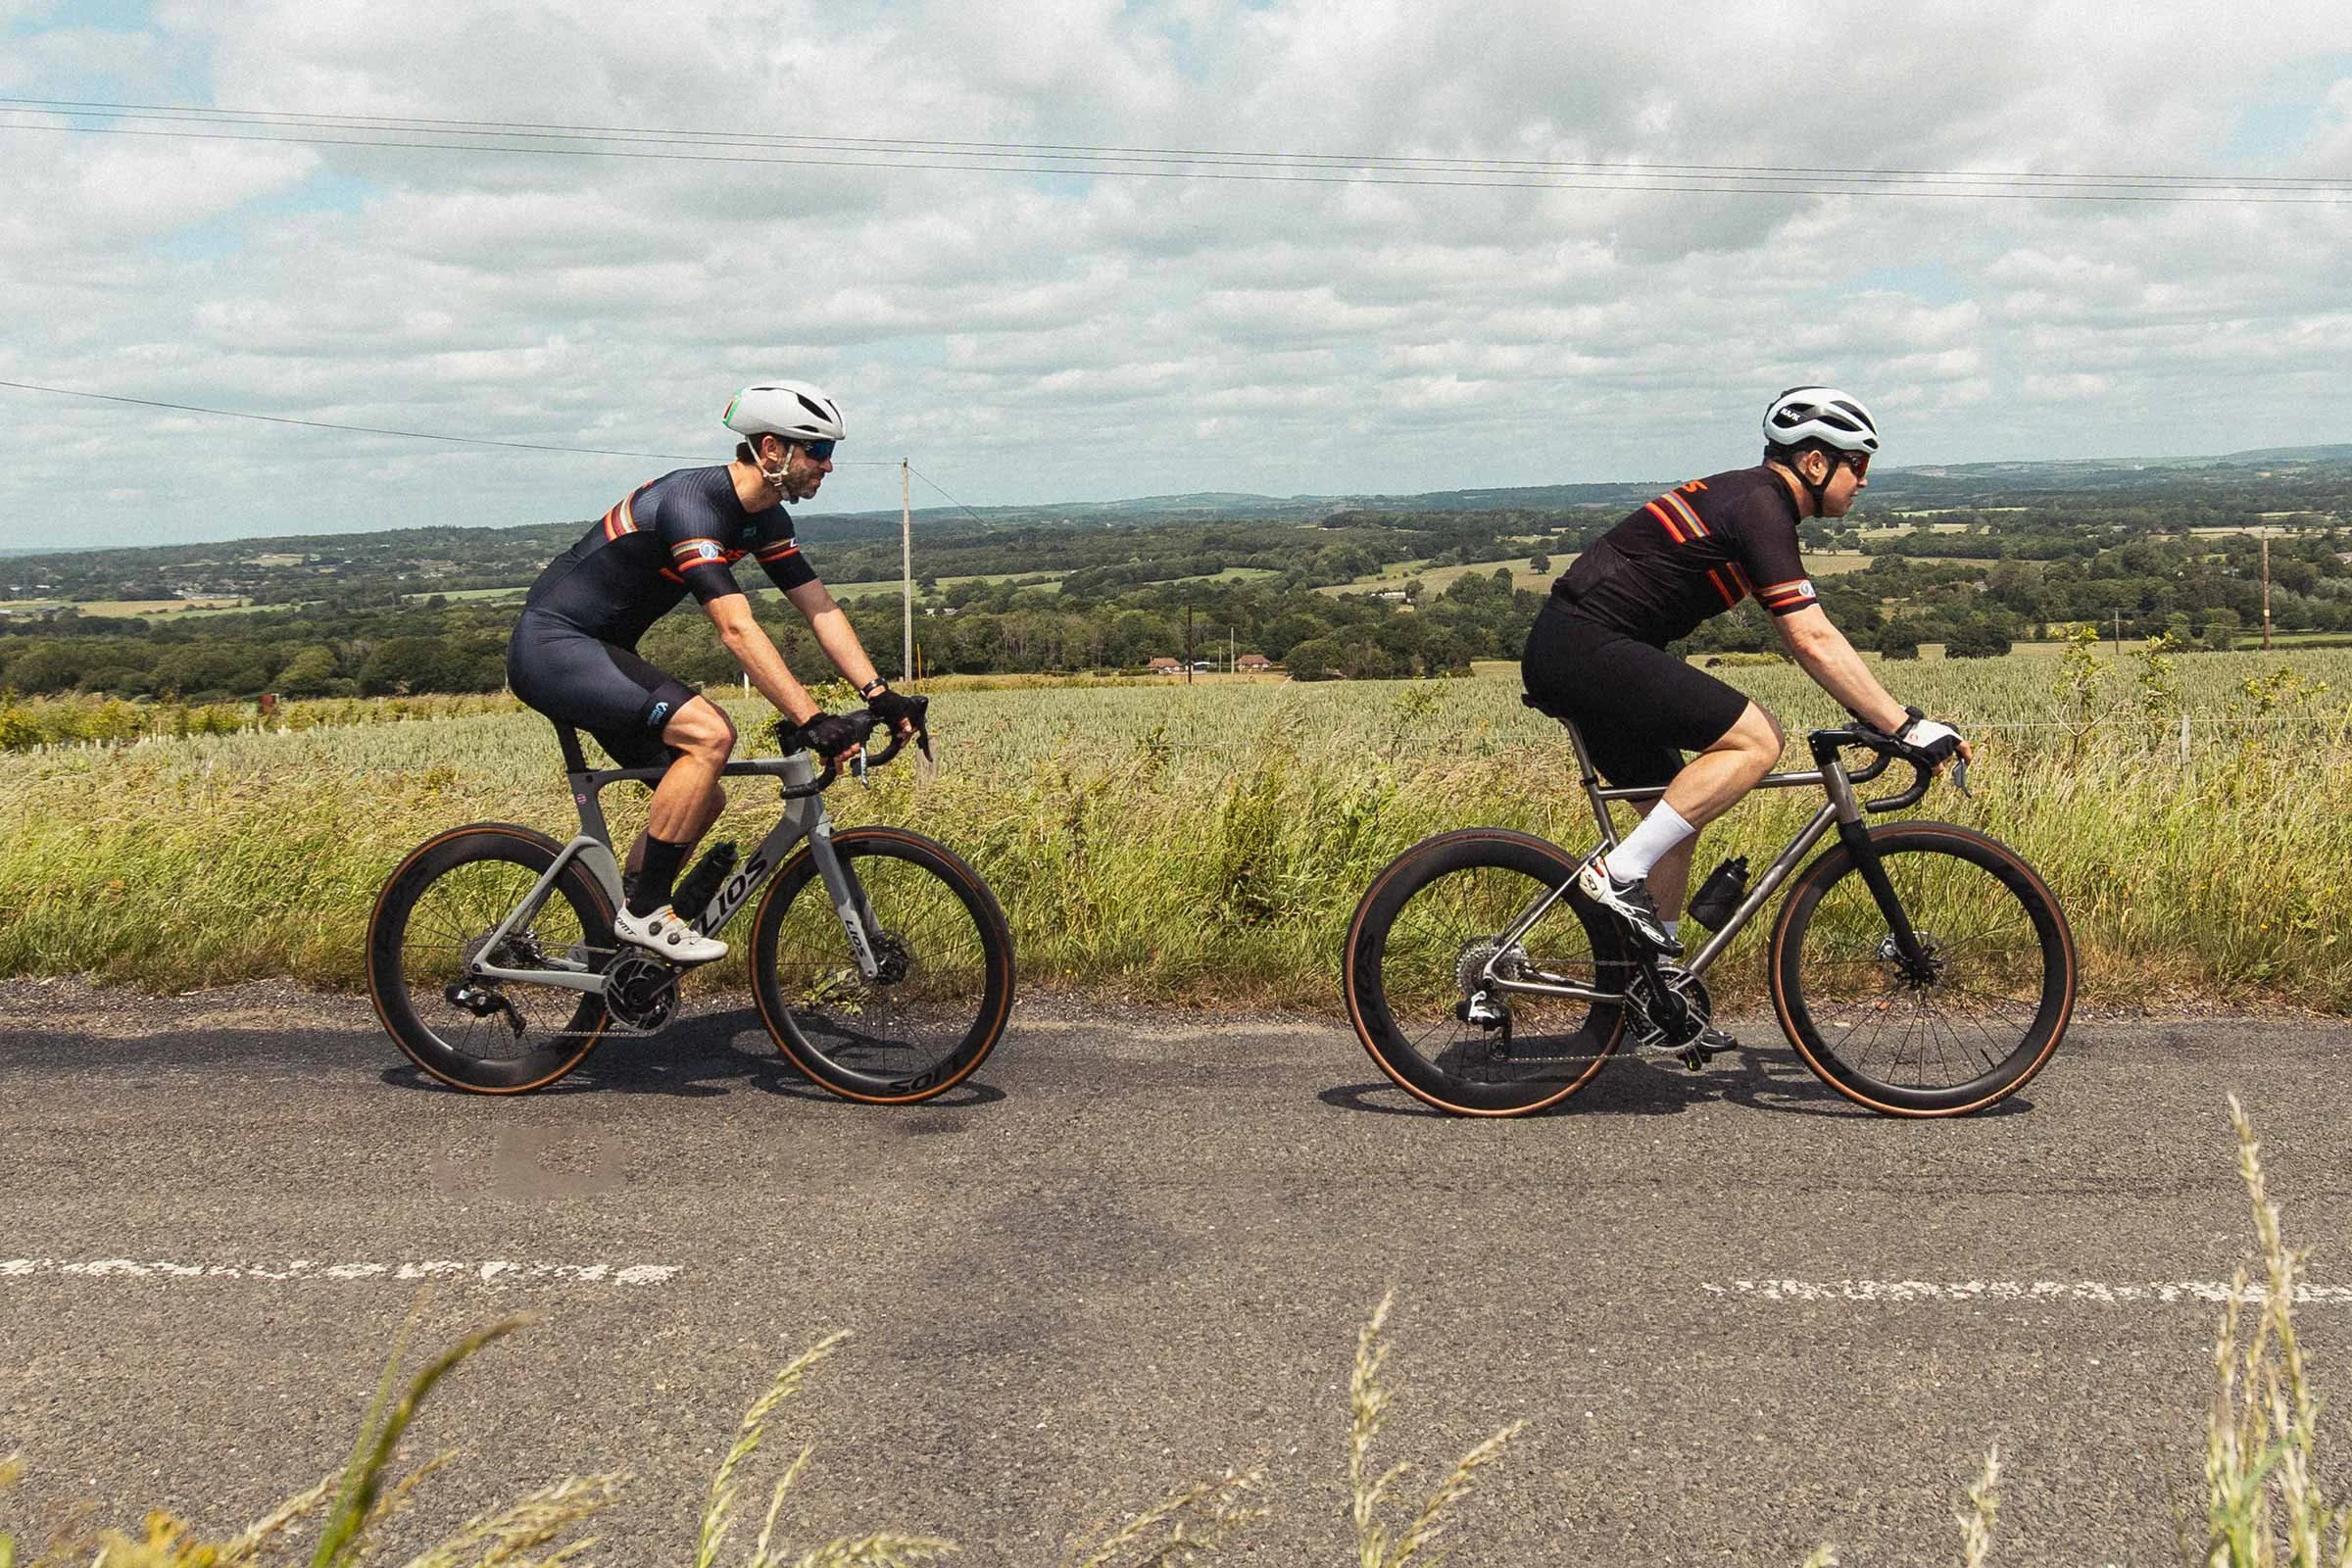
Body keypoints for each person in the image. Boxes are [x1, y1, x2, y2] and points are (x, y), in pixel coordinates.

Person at [1521, 386, 1969, 1008]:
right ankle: (1618, 876)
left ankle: (1657, 991)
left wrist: (1884, 715)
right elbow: (1808, 636)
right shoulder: (1761, 507)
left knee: (1675, 818)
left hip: (1578, 648)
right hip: (1585, 648)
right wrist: (1903, 725)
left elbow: (1811, 636)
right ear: (1815, 463)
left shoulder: (1752, 499)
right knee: (1758, 738)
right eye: (1858, 464)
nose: (1863, 482)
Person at [506, 381, 921, 964]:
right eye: (818, 451)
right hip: (554, 647)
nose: (828, 466)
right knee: (710, 734)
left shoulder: (764, 518)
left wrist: (880, 697)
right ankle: (648, 911)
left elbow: (820, 608)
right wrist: (810, 717)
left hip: (598, 651)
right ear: (772, 450)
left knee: (702, 797)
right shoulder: (691, 503)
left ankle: (618, 938)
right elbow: (735, 628)